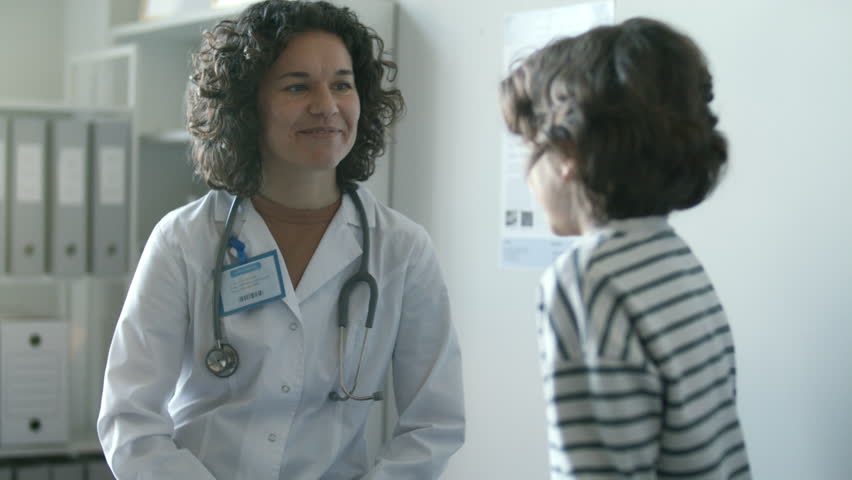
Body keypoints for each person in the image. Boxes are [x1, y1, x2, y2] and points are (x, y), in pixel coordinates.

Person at [97, 1, 465, 478]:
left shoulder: (402, 249)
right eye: (297, 86)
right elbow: (130, 416)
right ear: (248, 106)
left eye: (342, 84)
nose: (326, 105)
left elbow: (434, 423)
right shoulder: (184, 240)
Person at [500, 18, 750, 479]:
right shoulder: (675, 259)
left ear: (568, 154)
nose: (526, 173)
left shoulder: (584, 282)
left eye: (530, 146)